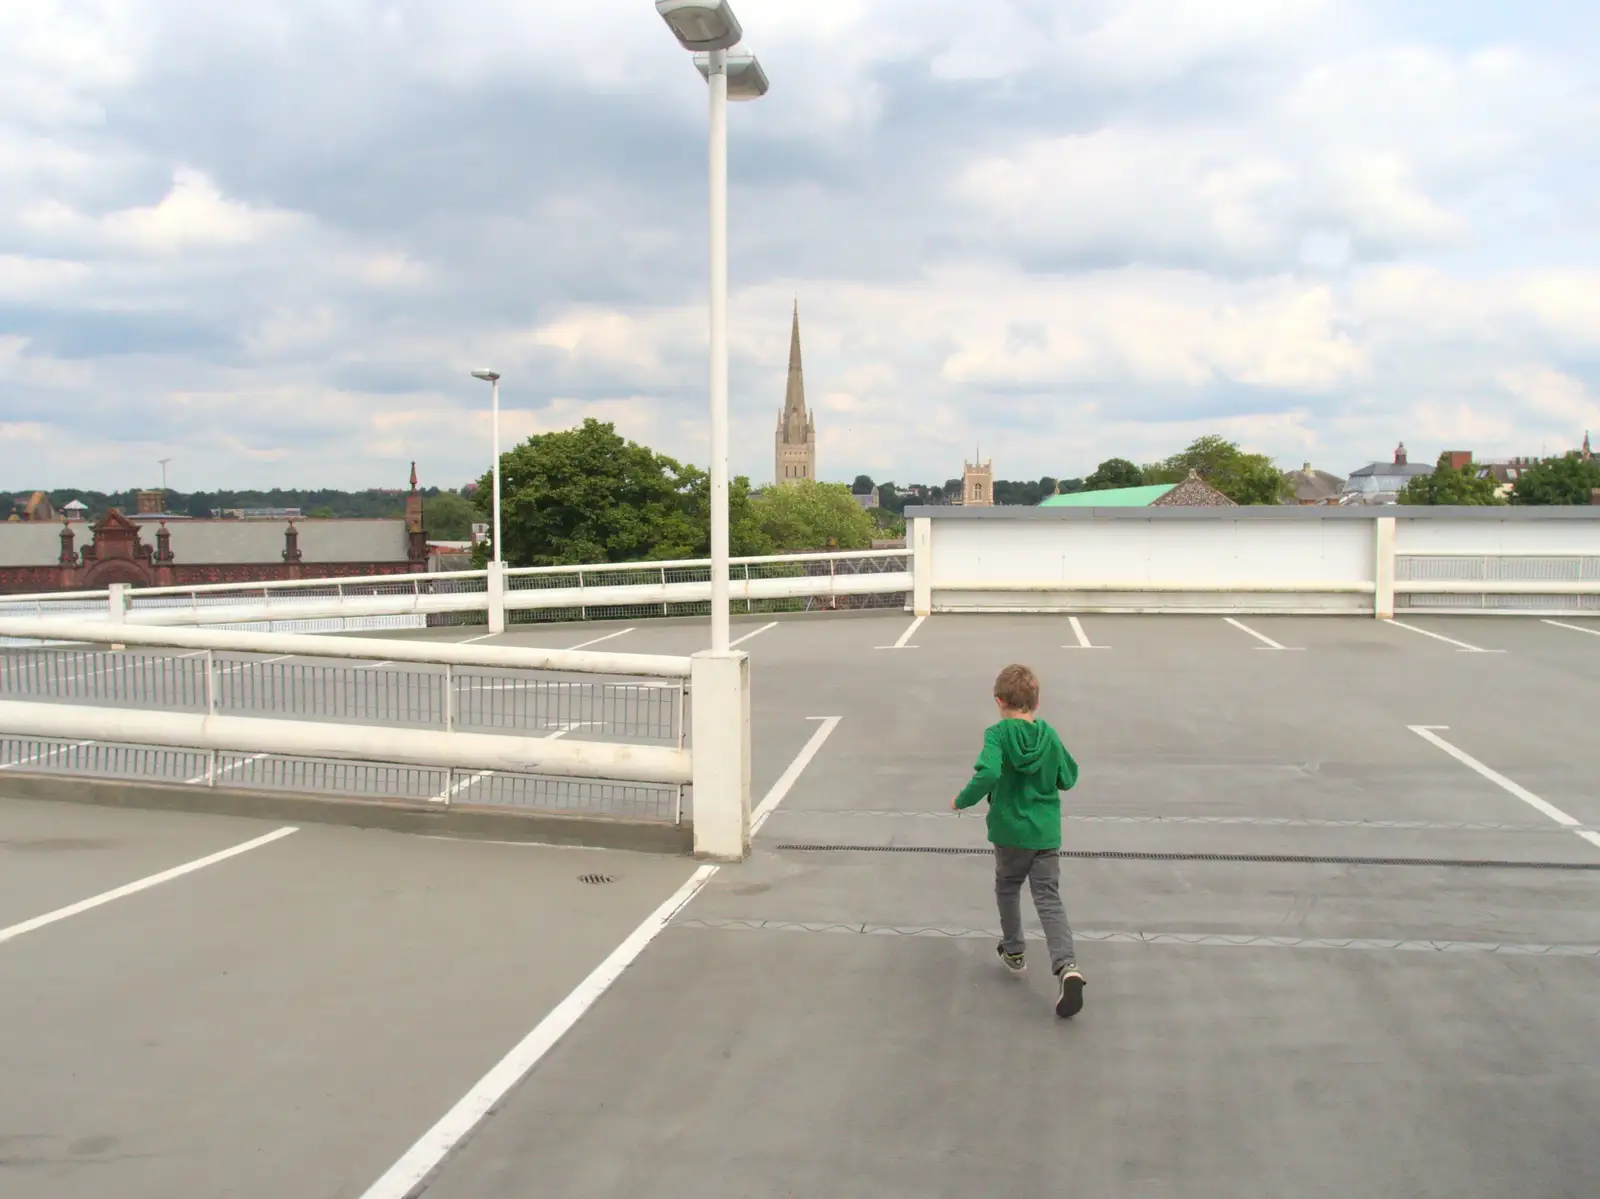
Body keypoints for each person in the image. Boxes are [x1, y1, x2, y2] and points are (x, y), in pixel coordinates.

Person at [953, 663, 1084, 1018]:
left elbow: (990, 772)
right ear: (1036, 704)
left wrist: (963, 799)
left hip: (1010, 833)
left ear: (998, 700)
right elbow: (1068, 777)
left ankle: (1014, 951)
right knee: (1049, 899)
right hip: (1045, 834)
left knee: (1008, 886)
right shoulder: (1050, 735)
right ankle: (1067, 967)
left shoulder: (996, 735)